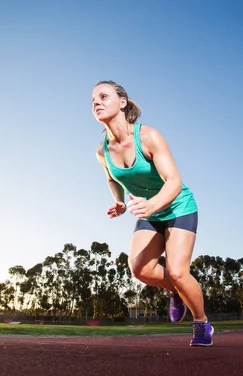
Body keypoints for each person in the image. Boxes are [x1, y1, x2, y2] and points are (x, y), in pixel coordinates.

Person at [91, 80, 214, 346]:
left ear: (122, 102)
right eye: (93, 100)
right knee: (139, 269)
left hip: (178, 206)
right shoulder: (102, 150)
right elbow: (112, 178)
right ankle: (177, 291)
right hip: (149, 211)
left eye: (103, 96)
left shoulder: (148, 136)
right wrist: (120, 202)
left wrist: (151, 205)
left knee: (178, 271)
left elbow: (174, 182)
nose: (96, 102)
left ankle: (202, 323)